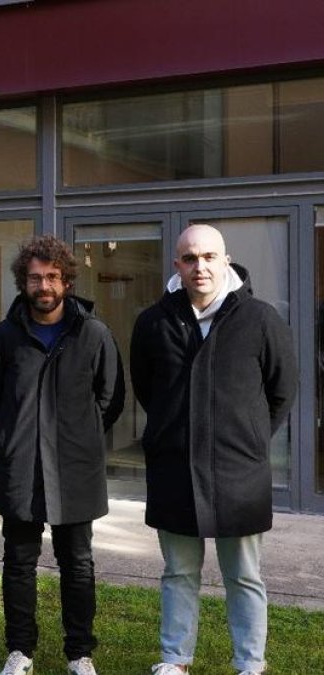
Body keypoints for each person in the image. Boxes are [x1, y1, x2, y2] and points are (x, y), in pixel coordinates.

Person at [132, 224, 297, 675]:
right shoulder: (153, 322)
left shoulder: (260, 318)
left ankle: (250, 663)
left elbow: (282, 390)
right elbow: (148, 388)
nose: (199, 266)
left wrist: (247, 437)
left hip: (238, 472)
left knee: (243, 575)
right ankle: (174, 659)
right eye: (190, 258)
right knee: (178, 573)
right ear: (177, 265)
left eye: (209, 257)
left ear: (225, 260)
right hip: (175, 469)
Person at [0, 235, 125, 675]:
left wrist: (79, 436)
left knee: (77, 562)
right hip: (21, 466)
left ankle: (80, 653)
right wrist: (15, 437)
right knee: (18, 562)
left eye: (53, 277)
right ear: (23, 282)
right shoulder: (4, 337)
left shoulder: (94, 334)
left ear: (66, 281)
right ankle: (20, 650)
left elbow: (110, 398)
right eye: (36, 277)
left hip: (76, 469)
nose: (45, 285)